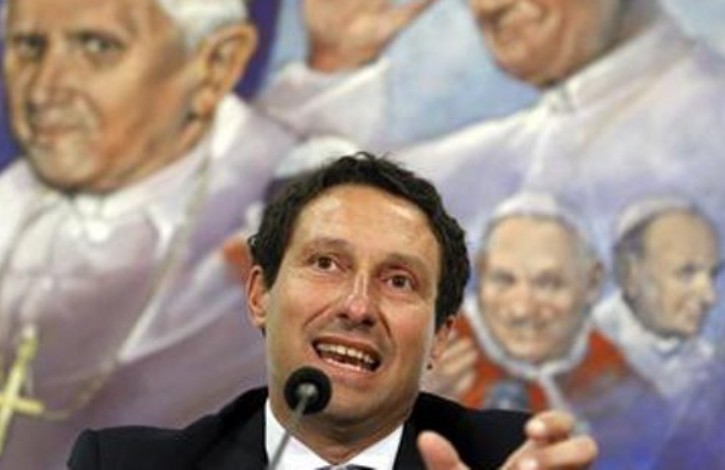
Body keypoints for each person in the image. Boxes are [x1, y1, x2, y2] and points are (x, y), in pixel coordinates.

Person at [68, 154, 598, 469]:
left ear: (440, 337)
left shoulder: (506, 458)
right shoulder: (126, 466)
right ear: (260, 296)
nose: (358, 306)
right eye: (326, 264)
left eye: (398, 281)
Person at [0, 0, 297, 467]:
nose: (42, 90)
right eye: (29, 46)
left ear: (215, 64)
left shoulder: (297, 212)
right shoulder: (14, 196)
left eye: (97, 46)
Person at [260, 0, 725, 259]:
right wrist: (334, 62)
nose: (486, 6)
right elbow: (279, 233)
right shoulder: (513, 149)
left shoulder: (709, 125)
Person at [424, 193, 636, 419]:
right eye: (503, 280)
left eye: (547, 284)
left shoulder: (608, 363)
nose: (522, 310)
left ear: (592, 282)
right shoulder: (432, 355)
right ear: (481, 272)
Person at [593, 196, 721, 401]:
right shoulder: (582, 352)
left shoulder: (708, 365)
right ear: (631, 273)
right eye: (686, 273)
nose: (710, 297)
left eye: (712, 275)